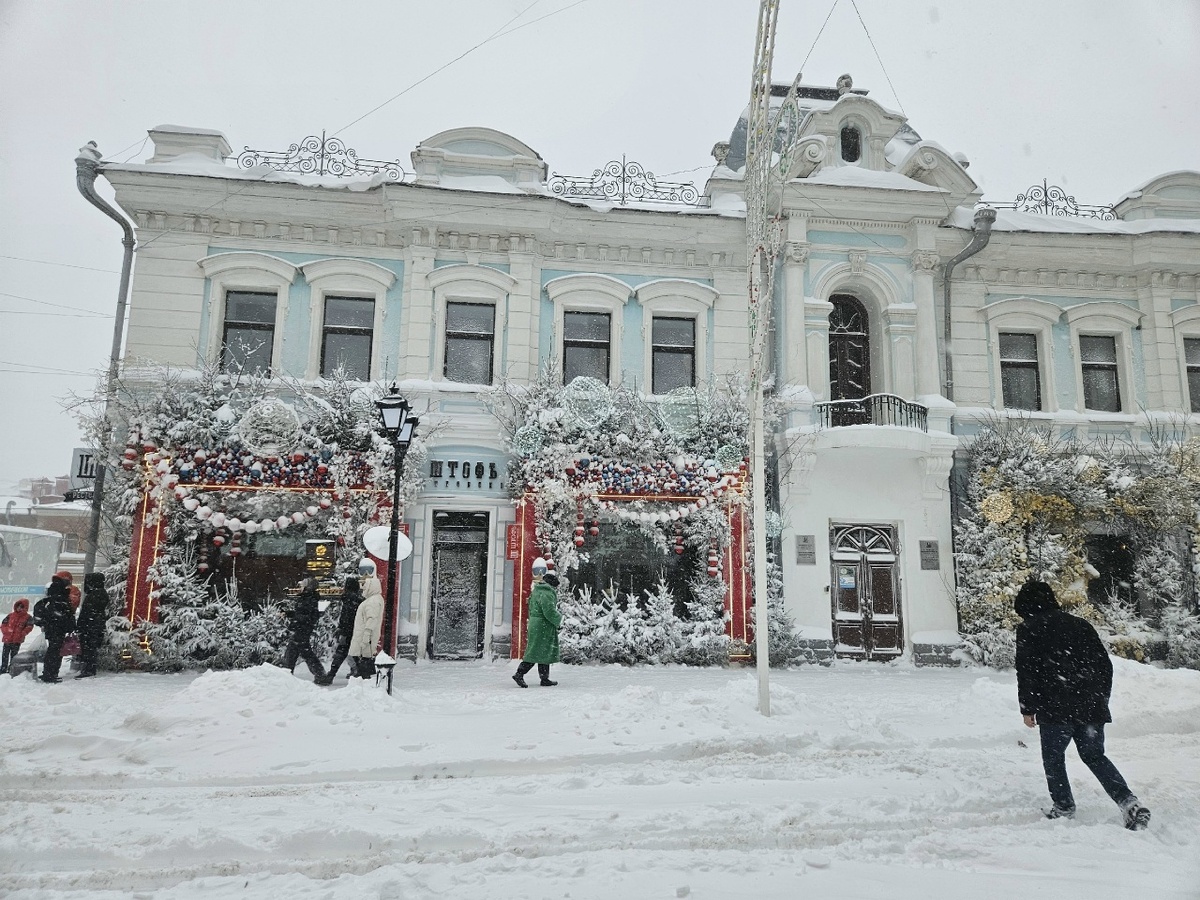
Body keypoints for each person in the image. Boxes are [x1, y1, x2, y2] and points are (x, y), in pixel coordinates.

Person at [1015, 579, 1151, 830]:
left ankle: (1064, 806)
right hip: (1090, 705)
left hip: (1055, 708)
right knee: (1095, 756)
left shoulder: (1029, 629)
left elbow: (1027, 672)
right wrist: (1099, 698)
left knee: (1053, 758)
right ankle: (1129, 803)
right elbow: (1104, 666)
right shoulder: (1080, 624)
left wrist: (1028, 708)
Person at [513, 559, 561, 688]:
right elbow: (549, 611)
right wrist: (558, 619)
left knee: (542, 651)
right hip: (542, 625)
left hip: (537, 623)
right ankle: (519, 674)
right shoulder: (546, 593)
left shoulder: (537, 591)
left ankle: (544, 679)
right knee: (536, 651)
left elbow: (531, 607)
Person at [315, 575, 363, 685]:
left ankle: (331, 675)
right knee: (353, 653)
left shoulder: (348, 599)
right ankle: (360, 673)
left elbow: (346, 618)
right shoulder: (358, 600)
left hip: (348, 631)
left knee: (340, 654)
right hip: (355, 631)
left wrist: (343, 631)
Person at [281, 577, 327, 682]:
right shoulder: (305, 597)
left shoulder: (309, 599)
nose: (300, 586)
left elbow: (310, 616)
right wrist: (288, 613)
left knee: (298, 652)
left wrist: (296, 618)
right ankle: (320, 674)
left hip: (303, 629)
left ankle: (287, 674)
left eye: (303, 585)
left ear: (308, 587)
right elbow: (301, 613)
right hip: (301, 628)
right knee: (300, 651)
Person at [33, 575, 75, 683]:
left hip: (51, 629)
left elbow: (43, 614)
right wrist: (70, 627)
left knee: (52, 651)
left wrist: (44, 623)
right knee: (56, 652)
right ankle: (51, 674)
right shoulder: (62, 600)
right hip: (59, 629)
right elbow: (67, 615)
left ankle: (48, 673)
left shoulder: (49, 600)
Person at [348, 559, 383, 679]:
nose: (363, 589)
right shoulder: (374, 599)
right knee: (364, 664)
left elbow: (371, 620)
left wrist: (366, 637)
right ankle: (364, 681)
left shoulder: (372, 601)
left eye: (365, 587)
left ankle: (364, 683)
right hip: (365, 638)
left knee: (364, 665)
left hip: (365, 639)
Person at [75, 573, 110, 679]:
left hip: (89, 626)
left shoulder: (93, 595)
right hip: (95, 625)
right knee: (91, 648)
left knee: (88, 648)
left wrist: (80, 625)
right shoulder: (101, 594)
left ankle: (88, 669)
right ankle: (89, 669)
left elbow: (87, 612)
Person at [1, 598, 35, 675]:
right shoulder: (10, 615)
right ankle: (3, 668)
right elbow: (3, 624)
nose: (19, 608)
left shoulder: (28, 617)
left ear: (25, 607)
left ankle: (12, 668)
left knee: (14, 655)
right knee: (4, 655)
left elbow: (29, 627)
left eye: (21, 606)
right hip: (7, 639)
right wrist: (6, 631)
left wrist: (22, 634)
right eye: (18, 606)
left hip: (17, 640)